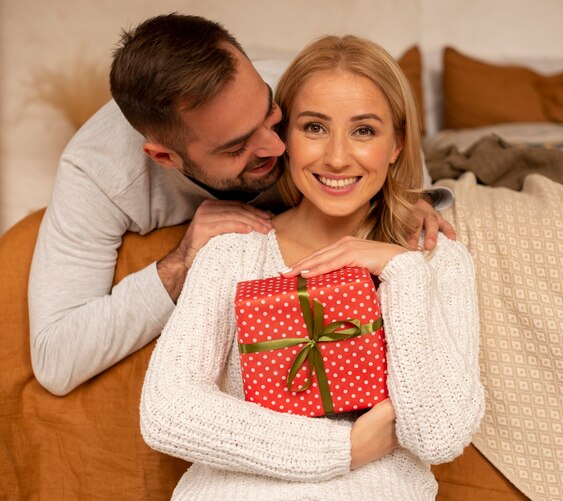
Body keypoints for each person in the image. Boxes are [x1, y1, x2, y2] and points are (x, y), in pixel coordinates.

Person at [28, 13, 455, 396]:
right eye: (237, 147)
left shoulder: (297, 90)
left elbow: (388, 142)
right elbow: (55, 358)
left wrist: (407, 195)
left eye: (271, 115)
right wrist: (179, 263)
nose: (276, 144)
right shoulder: (97, 174)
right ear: (165, 157)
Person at [140, 34, 483, 500]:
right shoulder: (234, 254)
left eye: (364, 130)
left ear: (397, 144)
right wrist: (345, 447)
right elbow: (168, 412)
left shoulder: (433, 259)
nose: (337, 157)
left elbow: (439, 435)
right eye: (315, 128)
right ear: (285, 139)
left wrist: (400, 272)